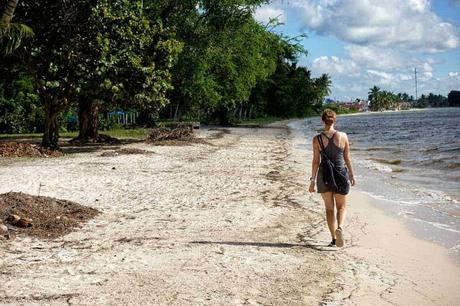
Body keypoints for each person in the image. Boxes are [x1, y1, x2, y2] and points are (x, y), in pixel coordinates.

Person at [308, 109, 355, 247]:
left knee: (329, 209)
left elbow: (315, 161)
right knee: (341, 206)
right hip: (340, 174)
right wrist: (351, 175)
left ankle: (334, 239)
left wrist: (312, 181)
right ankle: (340, 227)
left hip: (324, 175)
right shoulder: (343, 136)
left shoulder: (317, 139)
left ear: (322, 120)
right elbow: (347, 158)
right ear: (334, 120)